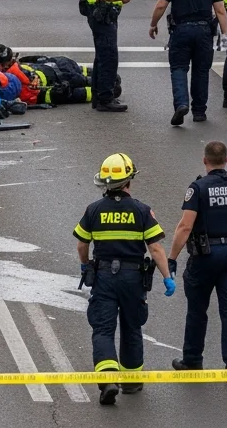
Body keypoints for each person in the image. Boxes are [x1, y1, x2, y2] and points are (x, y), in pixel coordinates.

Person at [74, 152, 175, 405]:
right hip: (133, 278)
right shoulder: (141, 210)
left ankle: (108, 379)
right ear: (129, 180)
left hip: (104, 276)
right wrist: (167, 277)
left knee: (103, 328)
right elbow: (155, 249)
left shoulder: (94, 210)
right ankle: (131, 381)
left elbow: (81, 245)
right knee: (132, 327)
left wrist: (85, 266)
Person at [169, 141, 227, 383]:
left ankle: (192, 360)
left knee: (197, 310)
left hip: (205, 255)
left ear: (205, 160)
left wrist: (172, 258)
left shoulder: (198, 188)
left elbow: (185, 226)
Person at [149, 0, 227, 125]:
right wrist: (225, 34)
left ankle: (181, 104)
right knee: (201, 71)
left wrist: (153, 24)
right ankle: (199, 112)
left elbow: (161, 4)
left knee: (178, 68)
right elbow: (220, 10)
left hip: (181, 31)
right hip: (203, 32)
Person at [83, 0, 133, 113]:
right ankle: (105, 98)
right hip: (101, 15)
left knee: (102, 55)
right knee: (109, 56)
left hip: (104, 14)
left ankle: (99, 96)